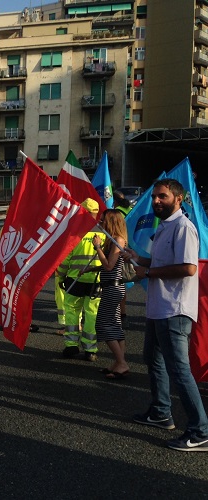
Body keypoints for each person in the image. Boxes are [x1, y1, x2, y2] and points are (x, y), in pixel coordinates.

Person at [128, 179, 208, 452]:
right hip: (159, 308)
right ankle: (161, 412)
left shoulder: (184, 228)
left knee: (179, 370)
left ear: (179, 199)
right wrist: (137, 258)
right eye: (154, 197)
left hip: (174, 310)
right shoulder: (165, 227)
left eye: (162, 196)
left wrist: (148, 273)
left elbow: (188, 268)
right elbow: (163, 262)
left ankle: (200, 431)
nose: (156, 202)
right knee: (152, 358)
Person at [57, 198, 103, 362]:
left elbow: (65, 258)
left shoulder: (75, 232)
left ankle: (71, 345)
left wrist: (61, 276)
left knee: (72, 312)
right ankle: (90, 350)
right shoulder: (103, 233)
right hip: (96, 281)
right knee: (92, 315)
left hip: (74, 280)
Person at [92, 209, 129, 379]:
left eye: (103, 219)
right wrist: (91, 268)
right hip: (111, 287)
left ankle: (121, 362)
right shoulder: (113, 240)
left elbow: (109, 266)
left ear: (111, 221)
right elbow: (107, 266)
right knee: (114, 324)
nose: (100, 222)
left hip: (113, 288)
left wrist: (98, 247)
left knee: (103, 324)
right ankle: (119, 362)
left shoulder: (118, 240)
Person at [113, 190, 132, 327]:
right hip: (129, 247)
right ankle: (122, 314)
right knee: (121, 284)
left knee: (115, 283)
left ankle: (117, 316)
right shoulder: (131, 210)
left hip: (118, 246)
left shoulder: (116, 213)